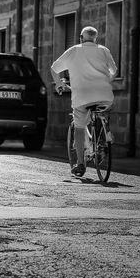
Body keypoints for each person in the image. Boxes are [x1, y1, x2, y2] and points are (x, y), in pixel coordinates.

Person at [51, 26, 117, 177]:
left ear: (81, 38)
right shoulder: (104, 50)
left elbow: (54, 69)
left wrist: (59, 84)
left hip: (82, 97)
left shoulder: (74, 50)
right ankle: (103, 140)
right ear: (96, 39)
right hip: (105, 96)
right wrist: (106, 81)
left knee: (79, 127)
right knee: (103, 111)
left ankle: (81, 163)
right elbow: (114, 71)